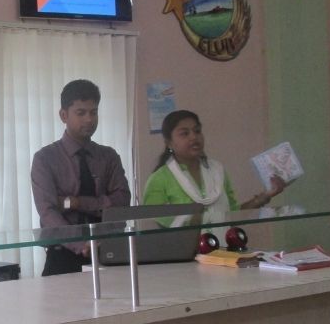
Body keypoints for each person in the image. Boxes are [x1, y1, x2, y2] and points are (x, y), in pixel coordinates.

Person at [31, 79, 131, 276]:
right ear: (63, 115)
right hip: (63, 254)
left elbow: (122, 201)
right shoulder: (45, 158)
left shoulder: (108, 156)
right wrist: (81, 243)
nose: (89, 119)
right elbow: (48, 212)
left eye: (93, 112)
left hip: (107, 250)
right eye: (81, 113)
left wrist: (76, 202)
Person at [142, 110, 286, 230]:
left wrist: (266, 195)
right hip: (184, 253)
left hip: (223, 250)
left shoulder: (217, 170)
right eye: (185, 133)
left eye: (197, 131)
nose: (194, 137)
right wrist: (197, 218)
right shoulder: (159, 179)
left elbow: (232, 215)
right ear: (169, 143)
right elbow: (159, 225)